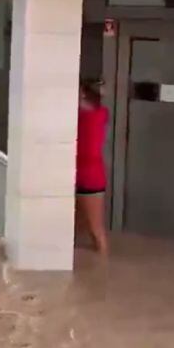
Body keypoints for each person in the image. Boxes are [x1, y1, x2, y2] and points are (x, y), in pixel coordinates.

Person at [75, 81, 109, 254]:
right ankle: (100, 269)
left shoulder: (81, 116)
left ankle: (103, 269)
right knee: (87, 230)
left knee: (95, 230)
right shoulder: (102, 113)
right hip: (90, 176)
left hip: (88, 177)